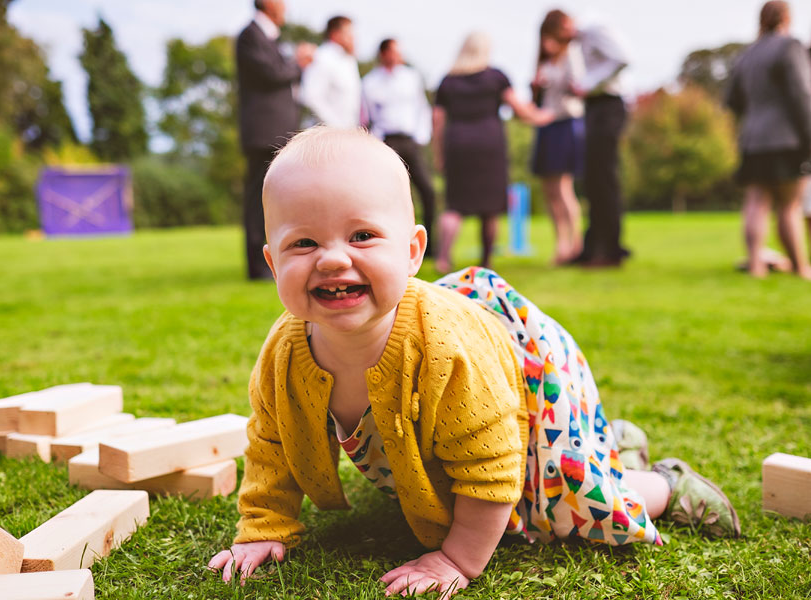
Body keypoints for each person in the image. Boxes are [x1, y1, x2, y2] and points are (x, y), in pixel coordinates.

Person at [207, 127, 740, 596]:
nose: (332, 258)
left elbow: (490, 468)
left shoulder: (443, 348)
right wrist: (264, 528)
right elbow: (273, 446)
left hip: (523, 380)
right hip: (470, 416)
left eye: (362, 235)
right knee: (459, 479)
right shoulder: (283, 354)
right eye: (303, 242)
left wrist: (457, 558)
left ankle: (664, 485)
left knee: (561, 505)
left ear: (413, 252)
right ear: (273, 261)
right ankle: (613, 441)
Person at [432, 32, 550, 274]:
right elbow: (518, 108)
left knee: (455, 204)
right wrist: (543, 116)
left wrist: (438, 153)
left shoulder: (448, 81)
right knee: (490, 207)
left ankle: (443, 257)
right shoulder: (496, 77)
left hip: (458, 145)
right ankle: (486, 262)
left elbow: (437, 120)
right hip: (489, 145)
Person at [725, 0, 811, 280]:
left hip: (752, 138)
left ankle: (756, 266)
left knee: (756, 201)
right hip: (785, 138)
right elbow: (801, 95)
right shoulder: (790, 47)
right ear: (786, 19)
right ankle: (800, 267)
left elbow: (732, 100)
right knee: (789, 205)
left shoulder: (747, 54)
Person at [235, 0, 315, 280]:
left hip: (277, 130)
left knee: (272, 198)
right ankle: (258, 267)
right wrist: (299, 63)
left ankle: (270, 261)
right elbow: (272, 74)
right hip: (263, 132)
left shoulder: (270, 38)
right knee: (259, 199)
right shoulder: (250, 36)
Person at [564, 16, 632, 267]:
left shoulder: (596, 30)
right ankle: (592, 247)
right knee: (593, 180)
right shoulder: (580, 43)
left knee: (603, 178)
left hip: (608, 106)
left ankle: (610, 250)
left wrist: (586, 85)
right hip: (593, 107)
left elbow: (623, 58)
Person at [362, 38, 437, 256]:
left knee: (427, 190)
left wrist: (421, 137)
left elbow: (422, 107)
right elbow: (366, 115)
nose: (398, 56)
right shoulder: (370, 82)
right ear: (384, 54)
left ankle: (430, 246)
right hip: (385, 141)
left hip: (410, 140)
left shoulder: (411, 77)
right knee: (386, 194)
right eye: (393, 52)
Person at [530, 10, 586, 265]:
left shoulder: (572, 56)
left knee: (564, 188)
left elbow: (578, 89)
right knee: (549, 190)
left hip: (565, 124)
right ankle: (560, 244)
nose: (547, 43)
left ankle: (576, 245)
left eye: (550, 37)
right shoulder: (543, 62)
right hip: (546, 127)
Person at [300, 16, 361, 128]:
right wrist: (336, 127)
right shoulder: (322, 57)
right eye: (349, 32)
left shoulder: (349, 60)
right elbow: (311, 97)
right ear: (335, 34)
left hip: (347, 133)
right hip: (326, 135)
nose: (353, 37)